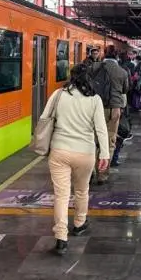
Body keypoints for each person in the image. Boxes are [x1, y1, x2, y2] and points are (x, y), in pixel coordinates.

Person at [42, 64, 110, 256]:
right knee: (81, 190)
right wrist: (104, 154)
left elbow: (44, 118)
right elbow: (101, 129)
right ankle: (79, 223)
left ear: (71, 77)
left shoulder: (58, 95)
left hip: (59, 150)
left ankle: (61, 238)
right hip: (85, 152)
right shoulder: (94, 99)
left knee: (61, 195)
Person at [89, 46, 129, 183]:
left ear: (103, 54)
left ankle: (90, 171)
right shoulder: (122, 72)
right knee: (110, 141)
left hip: (95, 107)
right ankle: (102, 174)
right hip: (114, 109)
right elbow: (125, 90)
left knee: (92, 140)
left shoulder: (93, 67)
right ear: (117, 56)